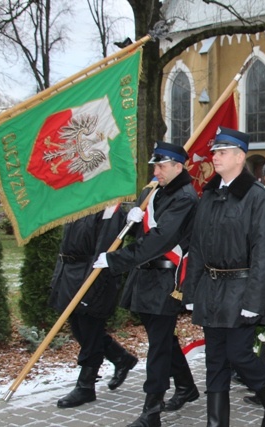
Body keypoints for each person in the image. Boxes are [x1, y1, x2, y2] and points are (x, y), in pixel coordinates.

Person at [183, 127, 265, 427]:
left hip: (242, 290)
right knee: (215, 359)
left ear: (240, 157)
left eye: (222, 152)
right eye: (215, 151)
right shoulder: (211, 195)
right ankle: (216, 423)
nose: (215, 156)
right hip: (211, 290)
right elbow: (198, 246)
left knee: (238, 355)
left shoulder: (259, 198)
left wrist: (255, 300)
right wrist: (191, 292)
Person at [94, 141, 200, 427]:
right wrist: (134, 220)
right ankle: (187, 387)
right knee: (162, 339)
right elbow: (144, 233)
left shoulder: (185, 197)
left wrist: (116, 260)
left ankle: (151, 410)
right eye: (155, 165)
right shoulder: (154, 191)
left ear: (179, 167)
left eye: (162, 166)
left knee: (158, 345)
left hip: (167, 279)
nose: (156, 171)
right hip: (146, 276)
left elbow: (160, 239)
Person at [49, 206, 137, 409]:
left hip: (94, 276)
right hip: (71, 275)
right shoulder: (81, 205)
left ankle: (86, 386)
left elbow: (105, 248)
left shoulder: (109, 209)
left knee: (90, 331)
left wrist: (92, 284)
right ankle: (121, 358)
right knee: (80, 329)